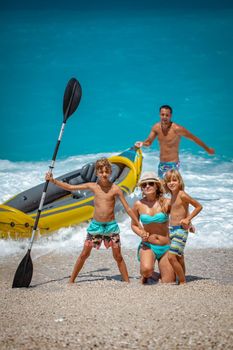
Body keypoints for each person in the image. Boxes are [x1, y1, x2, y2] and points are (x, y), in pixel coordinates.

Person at [45, 158, 147, 283]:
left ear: (110, 172)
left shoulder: (115, 189)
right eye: (101, 172)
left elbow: (128, 209)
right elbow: (71, 186)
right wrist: (53, 180)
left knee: (118, 256)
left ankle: (127, 282)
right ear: (97, 173)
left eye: (106, 171)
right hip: (96, 227)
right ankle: (71, 281)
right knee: (84, 254)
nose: (104, 174)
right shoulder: (93, 186)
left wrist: (139, 224)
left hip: (111, 227)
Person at [135, 105, 215, 179]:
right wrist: (142, 143)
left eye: (167, 115)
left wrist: (207, 149)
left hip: (173, 164)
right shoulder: (156, 127)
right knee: (162, 190)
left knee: (170, 188)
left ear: (171, 116)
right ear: (159, 115)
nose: (164, 117)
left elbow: (194, 138)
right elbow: (148, 142)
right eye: (162, 115)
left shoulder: (177, 129)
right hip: (162, 164)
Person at [131, 171, 175, 284]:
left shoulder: (167, 202)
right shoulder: (138, 204)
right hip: (148, 245)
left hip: (166, 247)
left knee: (168, 281)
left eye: (150, 183)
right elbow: (134, 225)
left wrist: (188, 222)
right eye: (144, 185)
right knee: (146, 271)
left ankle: (155, 272)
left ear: (157, 185)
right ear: (141, 188)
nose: (147, 186)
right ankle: (147, 273)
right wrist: (140, 233)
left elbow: (179, 216)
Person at [163, 169, 203, 284]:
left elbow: (198, 206)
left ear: (179, 181)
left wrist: (188, 220)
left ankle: (182, 281)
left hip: (181, 230)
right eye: (169, 181)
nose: (171, 183)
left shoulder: (182, 194)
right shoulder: (172, 196)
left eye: (174, 180)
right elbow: (183, 210)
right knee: (179, 256)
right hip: (172, 230)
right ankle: (181, 278)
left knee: (171, 257)